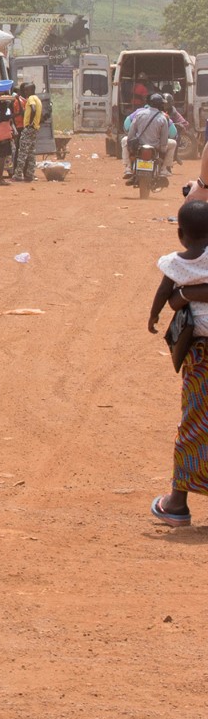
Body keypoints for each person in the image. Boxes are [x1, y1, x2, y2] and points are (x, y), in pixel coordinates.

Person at [148, 200, 208, 527]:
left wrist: (158, 311)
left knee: (195, 422)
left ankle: (177, 504)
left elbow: (164, 293)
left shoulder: (174, 263)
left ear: (181, 234)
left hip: (199, 354)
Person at [123, 92, 177, 183]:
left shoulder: (139, 114)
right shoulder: (163, 118)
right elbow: (165, 137)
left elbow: (131, 131)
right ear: (161, 105)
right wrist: (163, 150)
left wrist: (130, 144)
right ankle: (164, 169)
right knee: (173, 143)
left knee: (124, 140)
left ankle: (128, 167)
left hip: (138, 145)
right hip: (155, 146)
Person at [13, 81, 43, 182]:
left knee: (22, 152)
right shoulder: (38, 99)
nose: (24, 92)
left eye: (26, 90)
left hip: (29, 128)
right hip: (35, 129)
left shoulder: (31, 99)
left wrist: (29, 123)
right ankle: (29, 174)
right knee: (31, 153)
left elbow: (33, 109)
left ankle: (18, 174)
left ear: (31, 90)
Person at [0, 95, 15, 185]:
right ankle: (0, 179)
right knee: (2, 159)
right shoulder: (7, 116)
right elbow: (15, 114)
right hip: (4, 138)